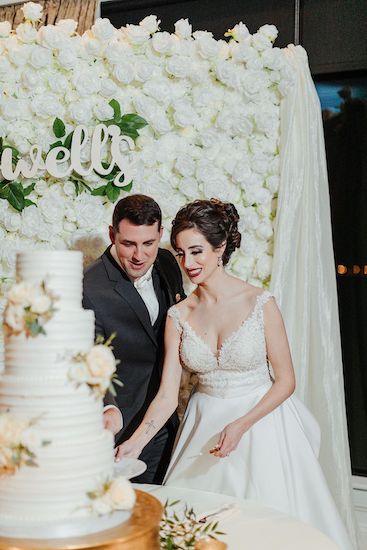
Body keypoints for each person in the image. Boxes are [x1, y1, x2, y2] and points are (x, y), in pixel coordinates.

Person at [116, 198, 352, 549]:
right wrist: (132, 445)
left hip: (262, 424)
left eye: (196, 251)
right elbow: (167, 395)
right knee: (195, 528)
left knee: (267, 529)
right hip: (204, 426)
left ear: (220, 247)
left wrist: (242, 424)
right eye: (180, 253)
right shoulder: (179, 315)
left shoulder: (260, 302)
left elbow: (286, 380)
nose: (188, 263)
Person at [83, 194, 185, 483]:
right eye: (128, 244)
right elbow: (90, 356)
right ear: (112, 235)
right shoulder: (90, 287)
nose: (139, 256)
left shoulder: (166, 262)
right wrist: (109, 406)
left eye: (148, 243)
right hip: (123, 428)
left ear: (160, 236)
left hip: (166, 421)